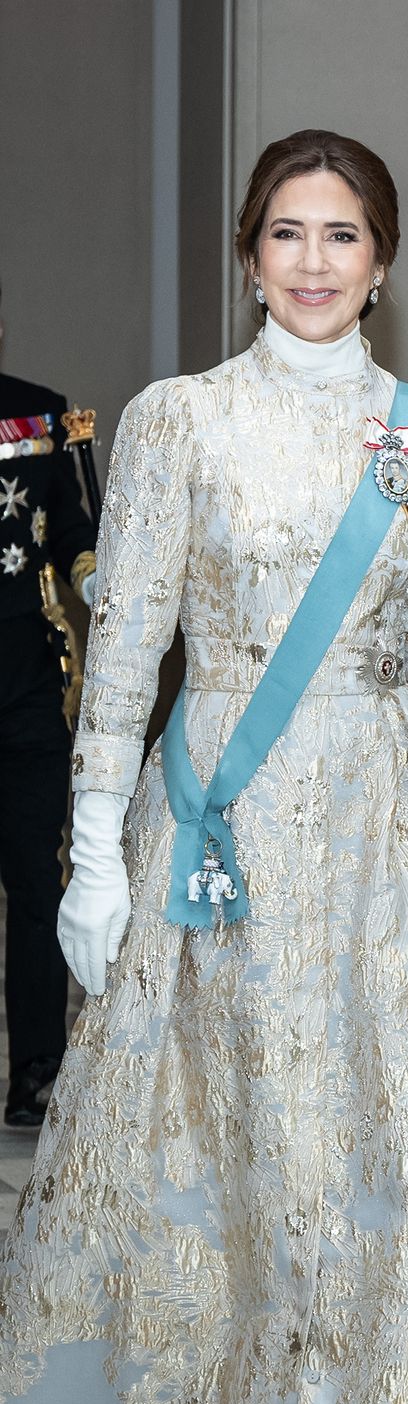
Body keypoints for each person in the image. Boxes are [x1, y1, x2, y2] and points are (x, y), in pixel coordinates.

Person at [0, 128, 408, 1404]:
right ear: (248, 253)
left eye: (344, 235)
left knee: (374, 1162)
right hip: (218, 830)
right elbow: (127, 645)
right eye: (288, 232)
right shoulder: (181, 420)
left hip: (385, 849)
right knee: (230, 1157)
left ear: (383, 263)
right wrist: (96, 843)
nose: (314, 261)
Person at [0, 303, 96, 1126]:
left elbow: (73, 530)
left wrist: (95, 579)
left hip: (26, 689)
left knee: (37, 884)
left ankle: (37, 1071)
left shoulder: (36, 414)